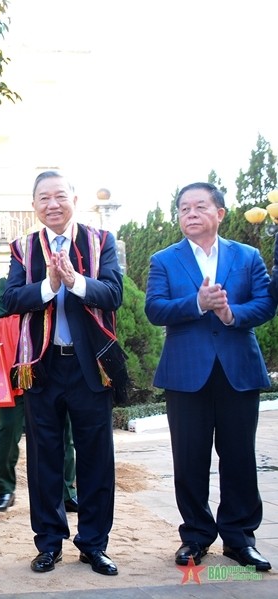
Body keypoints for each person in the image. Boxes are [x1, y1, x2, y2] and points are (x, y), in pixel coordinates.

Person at [145, 182, 274, 572]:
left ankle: (239, 539)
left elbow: (266, 302)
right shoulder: (164, 260)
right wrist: (198, 304)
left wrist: (232, 315)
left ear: (219, 213)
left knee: (239, 456)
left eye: (200, 206)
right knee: (190, 459)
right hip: (186, 373)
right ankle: (196, 537)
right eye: (184, 208)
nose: (191, 214)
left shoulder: (247, 256)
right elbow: (155, 308)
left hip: (238, 369)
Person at [4, 170, 124, 576]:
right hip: (41, 366)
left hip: (91, 366)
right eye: (43, 198)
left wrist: (74, 282)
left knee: (96, 460)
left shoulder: (101, 241)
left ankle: (93, 544)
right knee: (44, 460)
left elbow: (114, 294)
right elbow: (10, 300)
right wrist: (46, 285)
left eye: (60, 196)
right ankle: (49, 543)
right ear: (34, 205)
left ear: (74, 198)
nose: (52, 204)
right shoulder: (24, 247)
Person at [0, 277, 77, 513]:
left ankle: (67, 492)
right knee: (7, 430)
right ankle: (4, 489)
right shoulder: (7, 284)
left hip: (53, 370)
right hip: (17, 371)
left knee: (63, 432)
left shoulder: (60, 278)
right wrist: (30, 324)